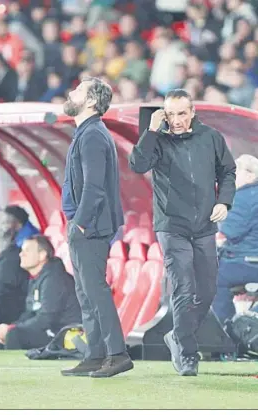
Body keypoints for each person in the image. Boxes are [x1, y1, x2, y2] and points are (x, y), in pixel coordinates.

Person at [129, 89, 236, 376]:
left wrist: (224, 201)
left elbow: (228, 171)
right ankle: (187, 352)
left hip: (204, 225)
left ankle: (178, 334)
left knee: (208, 289)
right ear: (163, 114)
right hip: (172, 226)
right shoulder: (158, 140)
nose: (176, 120)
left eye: (181, 113)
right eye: (170, 114)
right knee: (184, 287)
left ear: (192, 113)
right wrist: (151, 130)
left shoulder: (211, 137)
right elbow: (138, 164)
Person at [61, 76, 133, 378]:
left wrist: (79, 224)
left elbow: (94, 187)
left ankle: (117, 354)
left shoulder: (92, 135)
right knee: (86, 292)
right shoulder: (88, 132)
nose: (70, 91)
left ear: (91, 101)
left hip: (90, 227)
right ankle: (95, 354)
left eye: (78, 89)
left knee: (96, 291)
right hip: (86, 225)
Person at [0, 235, 82, 350]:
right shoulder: (37, 278)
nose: (21, 254)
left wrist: (13, 329)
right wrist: (11, 326)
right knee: (0, 332)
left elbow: (47, 319)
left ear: (42, 255)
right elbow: (30, 312)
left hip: (65, 333)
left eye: (27, 250)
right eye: (22, 250)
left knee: (14, 335)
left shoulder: (55, 278)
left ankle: (12, 367)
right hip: (49, 330)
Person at [212, 154, 258, 324]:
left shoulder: (240, 197)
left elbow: (230, 232)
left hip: (243, 264)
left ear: (250, 175)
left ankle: (224, 329)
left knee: (214, 281)